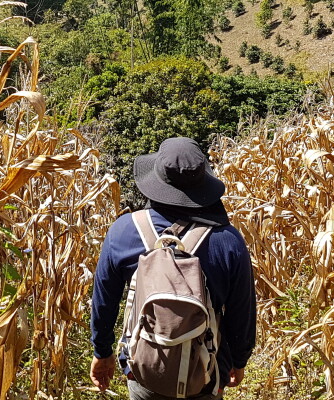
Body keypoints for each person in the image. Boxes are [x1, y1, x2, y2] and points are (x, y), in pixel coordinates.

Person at [89, 137, 257, 399]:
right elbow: (241, 312)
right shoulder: (228, 241)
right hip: (206, 373)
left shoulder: (124, 231)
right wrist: (238, 360)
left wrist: (102, 352)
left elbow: (103, 301)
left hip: (143, 371)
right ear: (202, 184)